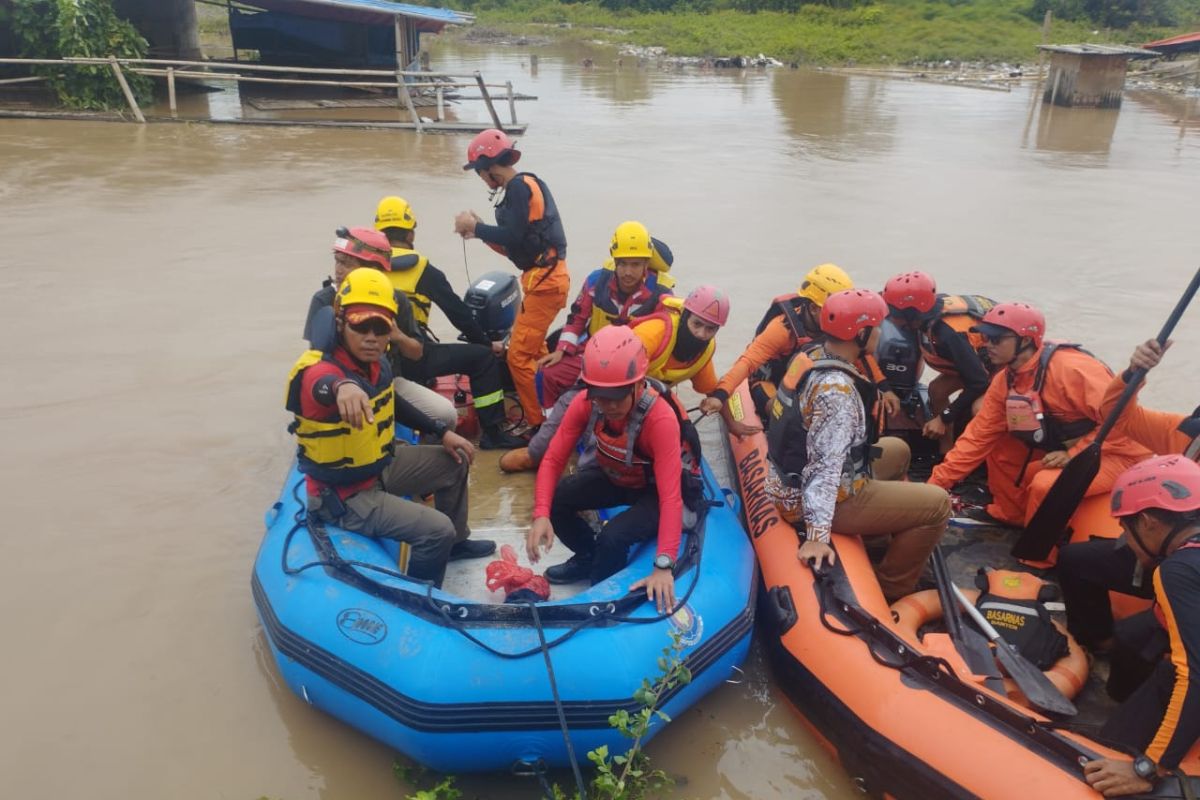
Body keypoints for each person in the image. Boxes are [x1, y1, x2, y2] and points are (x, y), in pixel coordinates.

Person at [285, 268, 495, 587]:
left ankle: (455, 546)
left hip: (381, 466)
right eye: (360, 324)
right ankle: (421, 600)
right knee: (436, 529)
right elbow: (322, 385)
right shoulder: (319, 370)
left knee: (456, 461)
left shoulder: (376, 364)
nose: (371, 336)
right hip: (345, 495)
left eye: (380, 326)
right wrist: (342, 387)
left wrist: (443, 431)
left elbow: (392, 403)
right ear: (340, 322)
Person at [763, 289, 950, 603]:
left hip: (790, 479)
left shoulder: (809, 356)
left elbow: (780, 417)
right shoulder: (836, 393)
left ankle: (877, 538)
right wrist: (817, 537)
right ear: (860, 333)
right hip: (814, 499)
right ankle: (892, 588)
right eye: (876, 327)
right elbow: (824, 467)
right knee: (938, 504)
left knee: (898, 450)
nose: (880, 333)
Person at [524, 326, 703, 612]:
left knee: (614, 536)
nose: (608, 405)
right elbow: (553, 460)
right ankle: (586, 555)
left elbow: (671, 497)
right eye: (600, 396)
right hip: (620, 476)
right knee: (560, 498)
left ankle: (601, 591)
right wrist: (541, 514)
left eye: (616, 396)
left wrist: (664, 564)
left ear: (637, 384)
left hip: (655, 490)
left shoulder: (660, 419)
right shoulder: (586, 404)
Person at [928, 303, 1151, 529]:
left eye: (996, 340)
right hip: (1071, 444)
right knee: (1001, 445)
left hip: (1120, 452)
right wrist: (934, 485)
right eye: (985, 339)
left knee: (1044, 484)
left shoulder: (1072, 370)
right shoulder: (1005, 380)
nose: (988, 346)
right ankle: (1011, 514)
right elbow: (977, 437)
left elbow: (1122, 423)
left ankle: (1038, 560)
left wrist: (1073, 454)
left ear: (1025, 341)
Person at [499, 285, 730, 474]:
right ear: (686, 316)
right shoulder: (654, 333)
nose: (700, 334)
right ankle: (535, 453)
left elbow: (710, 389)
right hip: (606, 388)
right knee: (575, 408)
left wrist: (733, 424)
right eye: (696, 324)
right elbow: (611, 371)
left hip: (645, 403)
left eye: (710, 329)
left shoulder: (703, 352)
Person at [1081, 455, 1200, 797]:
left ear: (1148, 522)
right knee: (1133, 635)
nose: (1127, 543)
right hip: (1171, 644)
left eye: (1126, 530)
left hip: (1186, 674)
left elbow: (1195, 673)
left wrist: (1149, 766)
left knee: (1106, 751)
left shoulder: (1177, 572)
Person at [373, 196, 524, 450]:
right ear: (410, 234)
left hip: (378, 363)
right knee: (481, 358)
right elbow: (459, 315)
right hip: (412, 357)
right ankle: (493, 433)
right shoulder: (422, 270)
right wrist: (487, 344)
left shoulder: (366, 269)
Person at [454, 129, 570, 431]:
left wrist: (477, 228)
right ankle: (555, 408)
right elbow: (516, 249)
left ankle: (540, 426)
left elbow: (514, 236)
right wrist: (478, 230)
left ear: (489, 167)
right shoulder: (521, 189)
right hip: (541, 281)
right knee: (536, 351)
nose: (482, 179)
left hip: (546, 282)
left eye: (481, 174)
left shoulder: (519, 187)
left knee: (518, 357)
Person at [700, 263, 900, 436]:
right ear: (813, 308)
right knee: (778, 411)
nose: (839, 314)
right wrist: (720, 396)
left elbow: (861, 355)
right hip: (773, 382)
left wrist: (885, 389)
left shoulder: (840, 326)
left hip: (808, 381)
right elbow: (748, 362)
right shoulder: (782, 328)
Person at [302, 226, 456, 430]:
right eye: (338, 261)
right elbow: (316, 359)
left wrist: (397, 336)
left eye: (347, 264)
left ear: (373, 270)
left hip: (387, 382)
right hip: (340, 383)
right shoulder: (324, 301)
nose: (338, 270)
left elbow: (416, 353)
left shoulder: (397, 300)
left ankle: (427, 443)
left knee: (447, 415)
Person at [536, 220, 671, 409]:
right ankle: (549, 424)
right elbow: (577, 317)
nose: (628, 272)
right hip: (591, 355)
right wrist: (562, 349)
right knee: (547, 374)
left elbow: (666, 340)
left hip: (636, 366)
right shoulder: (596, 281)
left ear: (646, 264)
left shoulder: (660, 294)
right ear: (614, 261)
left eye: (635, 264)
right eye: (622, 264)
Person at [881, 271, 996, 453]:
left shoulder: (948, 334)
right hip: (973, 361)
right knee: (937, 390)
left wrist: (943, 418)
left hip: (998, 364)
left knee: (978, 408)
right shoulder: (926, 314)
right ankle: (946, 452)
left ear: (912, 314)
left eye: (894, 312)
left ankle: (976, 460)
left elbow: (979, 382)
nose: (891, 317)